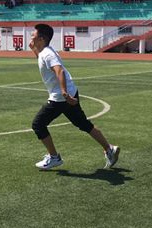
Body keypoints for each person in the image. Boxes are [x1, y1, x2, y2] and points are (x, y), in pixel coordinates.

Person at [28, 23, 119, 170]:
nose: (31, 36)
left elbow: (59, 71)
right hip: (70, 93)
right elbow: (44, 61)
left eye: (33, 35)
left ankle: (54, 157)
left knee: (38, 125)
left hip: (61, 97)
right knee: (83, 124)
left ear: (41, 39)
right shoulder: (45, 52)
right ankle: (109, 149)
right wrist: (34, 49)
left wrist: (64, 93)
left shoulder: (48, 54)